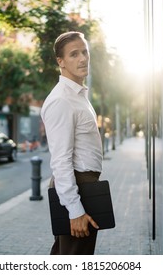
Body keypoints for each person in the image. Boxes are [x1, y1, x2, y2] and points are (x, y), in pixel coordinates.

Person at [40, 31, 103, 255]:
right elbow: (60, 161)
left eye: (84, 52)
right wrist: (75, 210)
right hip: (77, 187)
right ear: (61, 62)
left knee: (66, 256)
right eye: (74, 54)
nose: (83, 58)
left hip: (85, 185)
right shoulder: (61, 100)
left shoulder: (77, 96)